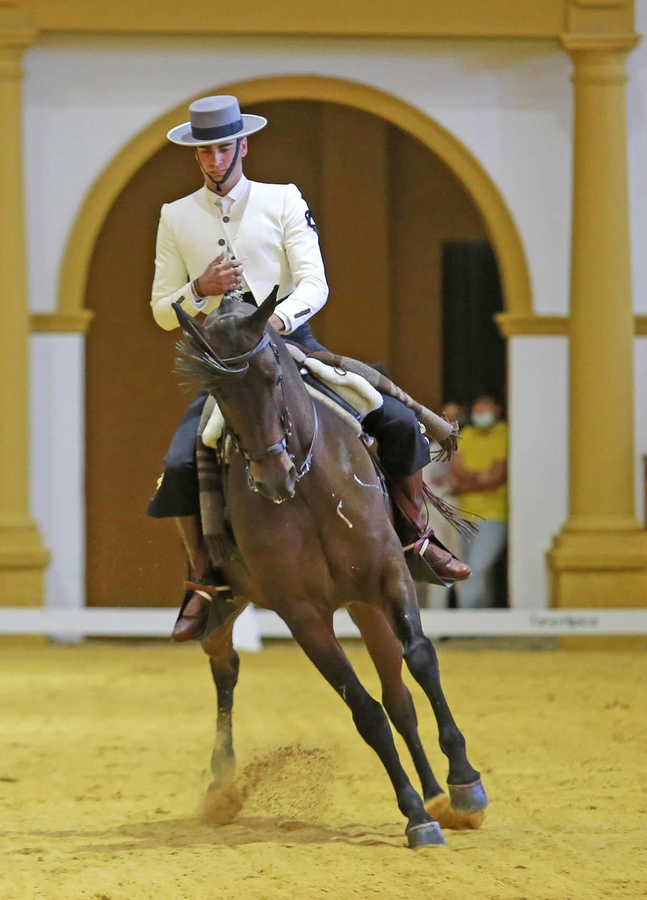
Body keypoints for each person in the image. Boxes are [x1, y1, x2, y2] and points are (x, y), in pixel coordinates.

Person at [145, 95, 470, 641]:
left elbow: (315, 282)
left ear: (242, 145)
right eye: (204, 151)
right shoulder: (175, 216)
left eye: (223, 147)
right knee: (180, 463)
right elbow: (160, 310)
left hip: (291, 345)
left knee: (393, 421)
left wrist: (280, 320)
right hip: (227, 366)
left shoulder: (282, 200)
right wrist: (200, 288)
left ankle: (417, 537)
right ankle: (205, 582)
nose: (214, 160)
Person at [450, 393, 509, 609]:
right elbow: (456, 472)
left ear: (497, 411)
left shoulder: (505, 434)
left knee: (476, 567)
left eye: (485, 409)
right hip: (464, 517)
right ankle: (483, 626)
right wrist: (480, 478)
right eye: (477, 410)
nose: (480, 414)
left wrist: (467, 482)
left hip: (494, 516)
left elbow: (498, 476)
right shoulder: (466, 434)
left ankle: (464, 623)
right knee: (473, 573)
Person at [419, 402, 465, 610]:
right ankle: (437, 618)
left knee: (463, 563)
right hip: (432, 513)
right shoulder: (427, 450)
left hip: (460, 511)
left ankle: (469, 617)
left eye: (454, 417)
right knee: (437, 564)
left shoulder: (465, 449)